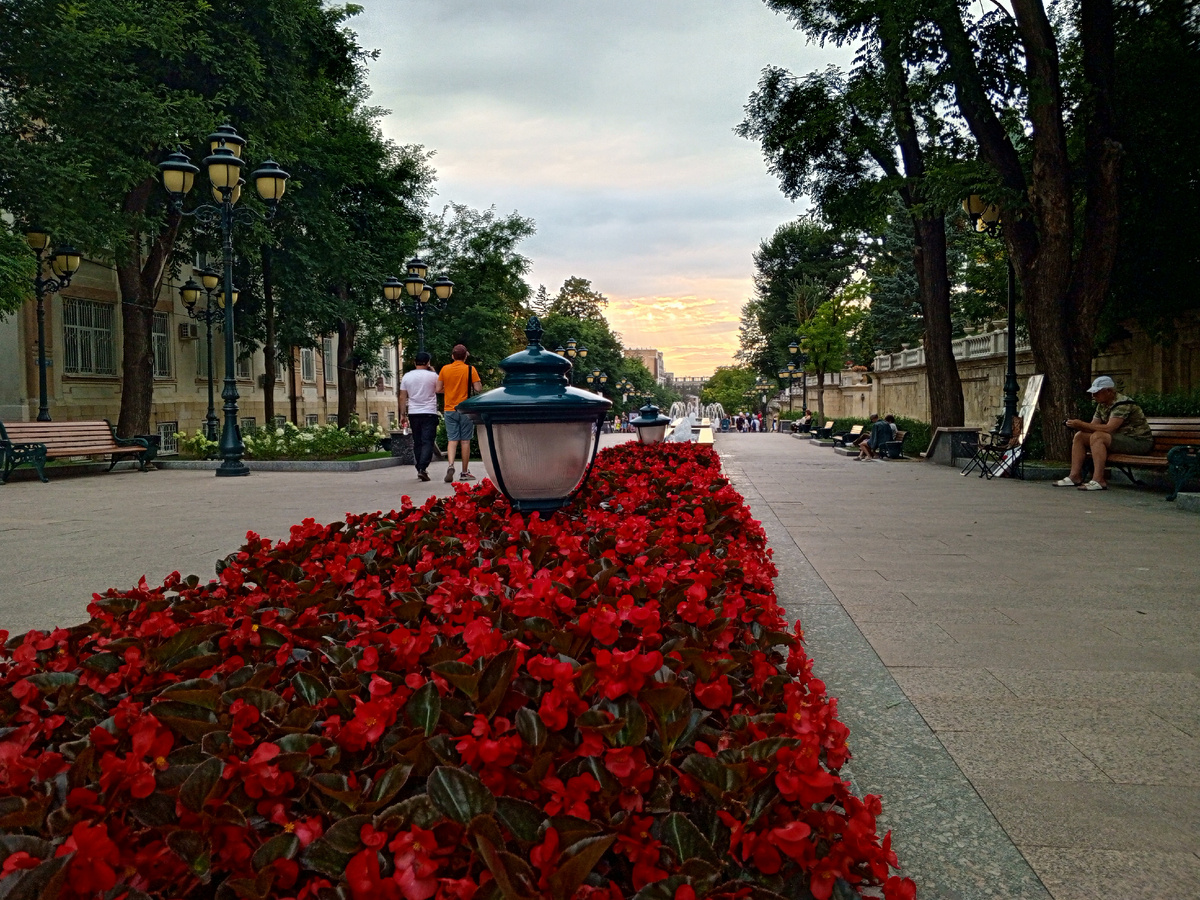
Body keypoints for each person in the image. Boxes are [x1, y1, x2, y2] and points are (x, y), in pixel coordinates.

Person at [1056, 375, 1153, 491]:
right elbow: (1093, 426)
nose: (1093, 396)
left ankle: (1098, 480)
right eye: (1093, 393)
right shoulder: (1101, 404)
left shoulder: (1122, 404)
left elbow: (1109, 428)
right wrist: (1076, 425)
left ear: (1109, 391)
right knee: (1080, 436)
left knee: (1098, 437)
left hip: (1138, 442)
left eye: (1097, 393)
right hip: (1119, 439)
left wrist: (1081, 424)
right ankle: (1075, 476)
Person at [437, 344, 483, 483]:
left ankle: (451, 465)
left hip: (449, 409)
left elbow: (438, 389)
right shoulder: (470, 369)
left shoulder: (445, 369)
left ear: (452, 356)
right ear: (465, 356)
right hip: (465, 410)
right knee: (465, 441)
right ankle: (464, 472)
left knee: (452, 440)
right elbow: (478, 388)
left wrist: (449, 389)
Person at [398, 351, 439, 482]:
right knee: (428, 441)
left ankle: (419, 468)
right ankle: (422, 467)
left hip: (414, 413)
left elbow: (402, 396)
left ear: (414, 362)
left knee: (418, 441)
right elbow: (441, 389)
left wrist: (402, 414)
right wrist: (433, 372)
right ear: (428, 362)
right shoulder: (433, 376)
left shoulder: (407, 376)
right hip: (429, 412)